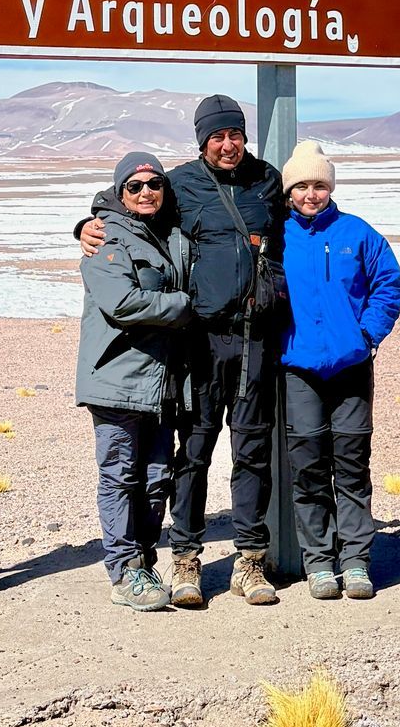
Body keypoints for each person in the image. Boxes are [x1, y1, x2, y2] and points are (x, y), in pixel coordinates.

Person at [77, 94, 287, 608]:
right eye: (217, 136)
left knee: (252, 453)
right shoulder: (181, 184)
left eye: (234, 134)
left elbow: (302, 221)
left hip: (254, 338)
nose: (227, 144)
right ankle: (186, 558)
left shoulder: (268, 181)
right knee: (192, 453)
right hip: (199, 344)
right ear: (202, 141)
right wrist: (82, 227)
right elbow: (126, 210)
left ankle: (250, 562)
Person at [276, 139, 400, 601]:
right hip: (298, 370)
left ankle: (355, 561)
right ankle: (319, 564)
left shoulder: (357, 233)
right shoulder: (277, 235)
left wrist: (367, 336)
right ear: (289, 189)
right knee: (308, 469)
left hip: (351, 368)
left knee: (351, 467)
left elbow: (388, 283)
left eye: (320, 185)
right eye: (303, 186)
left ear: (330, 187)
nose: (311, 194)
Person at [75, 150, 200, 614]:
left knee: (155, 477)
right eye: (134, 186)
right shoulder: (106, 238)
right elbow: (122, 303)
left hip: (162, 380)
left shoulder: (169, 234)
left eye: (154, 184)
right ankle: (124, 569)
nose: (146, 192)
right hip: (118, 378)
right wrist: (185, 307)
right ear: (119, 192)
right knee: (120, 475)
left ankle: (143, 562)